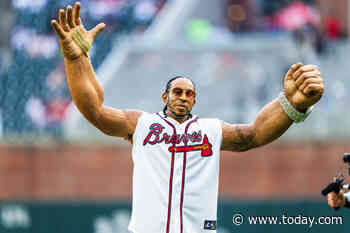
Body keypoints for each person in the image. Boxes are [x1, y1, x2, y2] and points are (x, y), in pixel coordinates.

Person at [51, 2, 325, 233]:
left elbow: (253, 134)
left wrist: (292, 105)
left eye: (189, 93)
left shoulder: (210, 129)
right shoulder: (143, 124)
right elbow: (95, 112)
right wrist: (77, 61)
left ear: (195, 99)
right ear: (164, 97)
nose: (182, 96)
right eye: (177, 91)